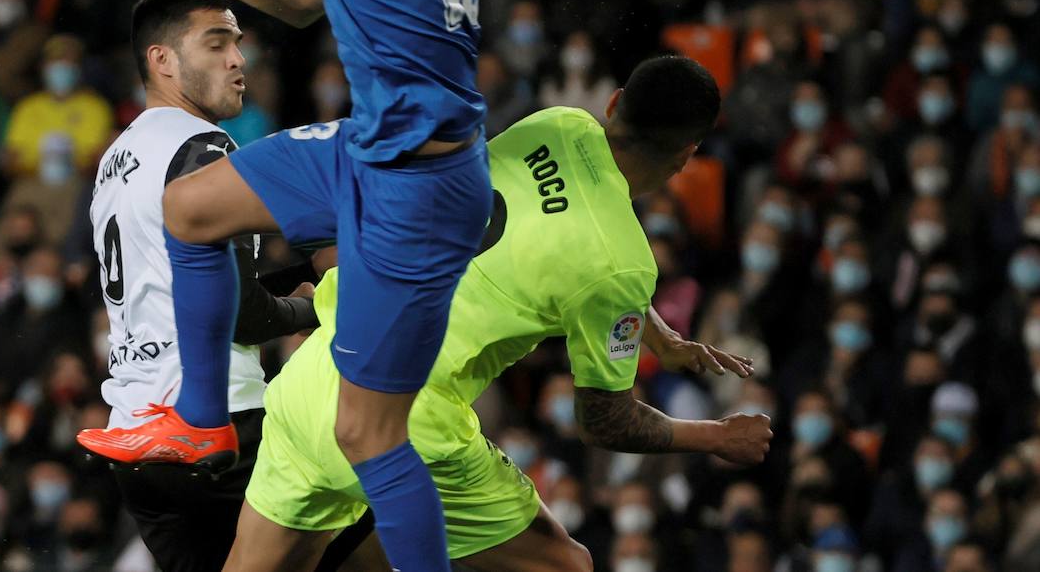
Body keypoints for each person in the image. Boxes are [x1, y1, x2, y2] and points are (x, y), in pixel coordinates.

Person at [62, 0, 489, 572]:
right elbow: (296, 3)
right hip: (375, 151)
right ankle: (199, 418)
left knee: (368, 435)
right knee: (189, 208)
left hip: (410, 183)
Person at [225, 57, 772, 571]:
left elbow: (561, 243)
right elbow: (604, 420)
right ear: (687, 154)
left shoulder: (559, 125)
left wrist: (658, 334)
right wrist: (717, 436)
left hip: (316, 376)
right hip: (406, 421)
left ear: (612, 102)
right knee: (566, 566)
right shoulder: (622, 266)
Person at [86, 0, 369, 572]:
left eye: (238, 44)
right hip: (220, 428)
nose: (238, 59)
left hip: (138, 441)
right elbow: (242, 313)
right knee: (385, 539)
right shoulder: (203, 147)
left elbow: (185, 284)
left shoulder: (117, 159)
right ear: (162, 60)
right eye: (217, 43)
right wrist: (312, 308)